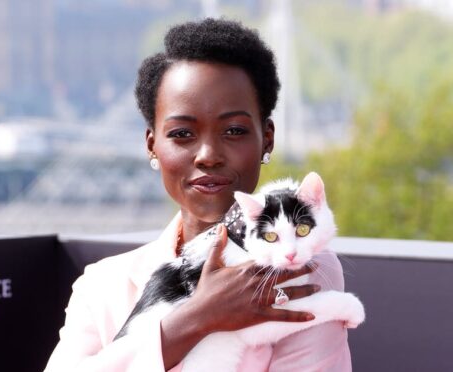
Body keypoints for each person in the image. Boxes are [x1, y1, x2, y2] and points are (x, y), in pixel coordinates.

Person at [45, 18, 351, 371]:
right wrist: (191, 321)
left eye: (234, 130)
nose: (208, 154)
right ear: (152, 146)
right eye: (181, 134)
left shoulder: (302, 268)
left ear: (266, 138)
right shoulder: (102, 284)